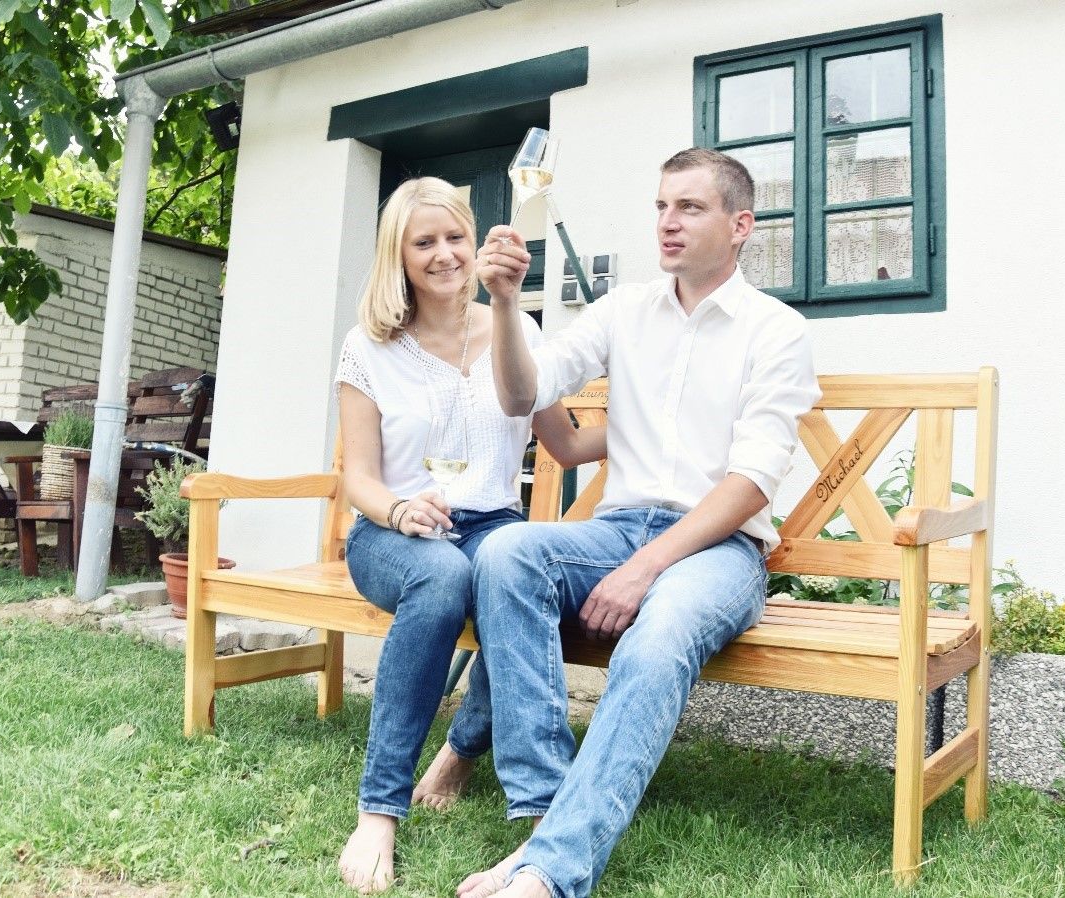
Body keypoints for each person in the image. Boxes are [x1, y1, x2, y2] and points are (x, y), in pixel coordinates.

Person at [461, 148, 821, 898]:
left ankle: (549, 874)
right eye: (661, 206)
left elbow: (752, 482)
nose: (668, 222)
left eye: (689, 208)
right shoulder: (623, 309)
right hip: (618, 530)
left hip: (716, 549)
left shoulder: (775, 331)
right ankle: (543, 816)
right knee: (507, 553)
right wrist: (504, 303)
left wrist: (645, 567)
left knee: (656, 638)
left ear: (740, 224)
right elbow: (521, 394)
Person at [332, 177, 605, 894]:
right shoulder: (369, 347)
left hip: (490, 526)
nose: (444, 254)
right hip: (394, 533)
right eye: (424, 242)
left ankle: (461, 754)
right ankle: (379, 809)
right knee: (444, 576)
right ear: (400, 254)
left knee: (513, 574)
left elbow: (567, 445)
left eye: (455, 237)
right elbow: (356, 478)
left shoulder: (515, 329)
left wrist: (663, 425)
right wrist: (398, 511)